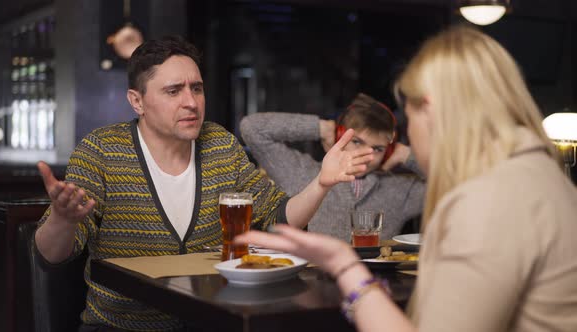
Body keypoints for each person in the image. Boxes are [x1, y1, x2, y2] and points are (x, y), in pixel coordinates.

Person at [235, 25, 577, 332]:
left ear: (429, 109)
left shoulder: (486, 201)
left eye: (410, 119)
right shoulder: (542, 176)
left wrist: (344, 267)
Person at [34, 35, 374, 331]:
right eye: (173, 90)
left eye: (196, 88)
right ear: (137, 101)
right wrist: (63, 220)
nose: (191, 102)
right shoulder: (101, 150)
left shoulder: (220, 145)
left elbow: (277, 217)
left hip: (214, 321)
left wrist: (322, 183)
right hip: (124, 327)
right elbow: (52, 256)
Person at [240, 93, 425, 242]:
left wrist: (407, 155)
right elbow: (252, 128)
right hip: (311, 280)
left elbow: (453, 183)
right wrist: (322, 128)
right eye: (356, 141)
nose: (365, 154)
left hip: (374, 281)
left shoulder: (402, 189)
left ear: (389, 151)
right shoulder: (301, 171)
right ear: (339, 137)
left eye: (377, 149)